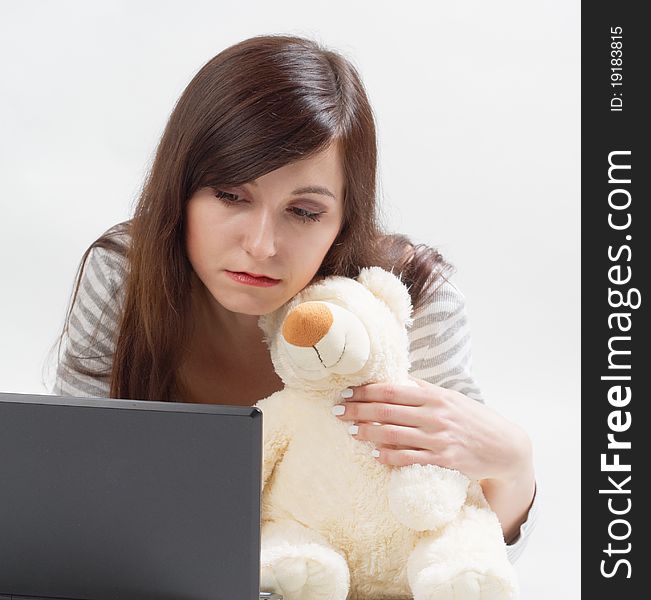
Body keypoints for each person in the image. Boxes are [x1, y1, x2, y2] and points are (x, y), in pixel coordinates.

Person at [50, 34, 537, 563]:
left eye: (304, 212)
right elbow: (72, 495)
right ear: (180, 188)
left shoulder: (407, 299)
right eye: (231, 196)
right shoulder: (125, 274)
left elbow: (462, 556)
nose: (261, 245)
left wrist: (515, 466)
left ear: (345, 219)